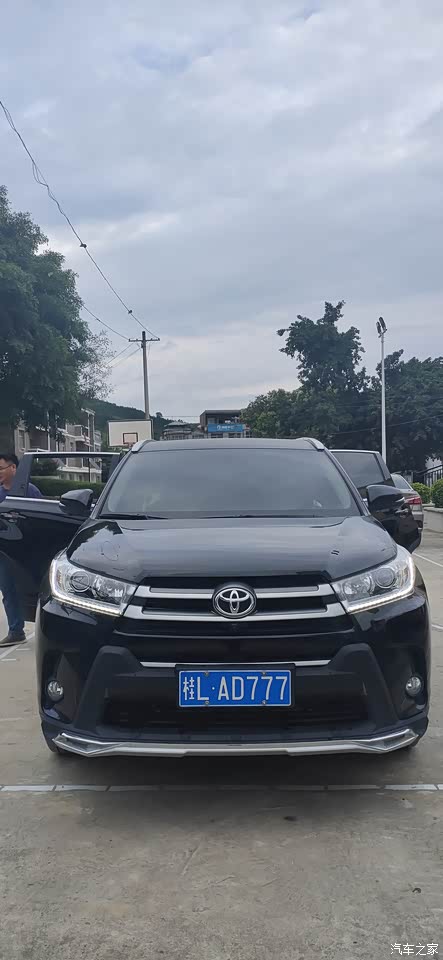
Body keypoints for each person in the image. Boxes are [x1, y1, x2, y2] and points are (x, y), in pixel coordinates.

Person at [0, 453, 42, 647]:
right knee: (8, 590)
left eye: (1, 468)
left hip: (30, 551)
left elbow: (42, 518)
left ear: (14, 468)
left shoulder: (30, 491)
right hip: (5, 552)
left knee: (40, 590)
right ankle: (16, 630)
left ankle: (47, 628)